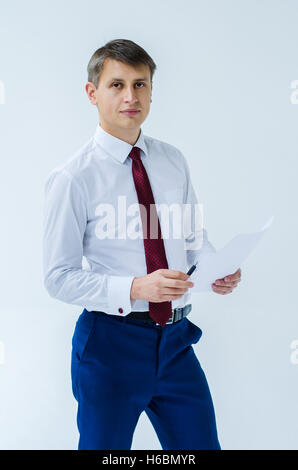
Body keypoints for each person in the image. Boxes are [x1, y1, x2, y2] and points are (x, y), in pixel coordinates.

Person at [42, 38, 241, 450]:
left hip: (176, 342)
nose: (130, 96)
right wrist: (135, 288)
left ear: (152, 91)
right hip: (109, 346)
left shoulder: (172, 161)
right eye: (117, 85)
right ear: (92, 93)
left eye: (141, 84)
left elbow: (192, 238)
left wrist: (216, 266)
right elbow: (58, 277)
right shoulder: (73, 178)